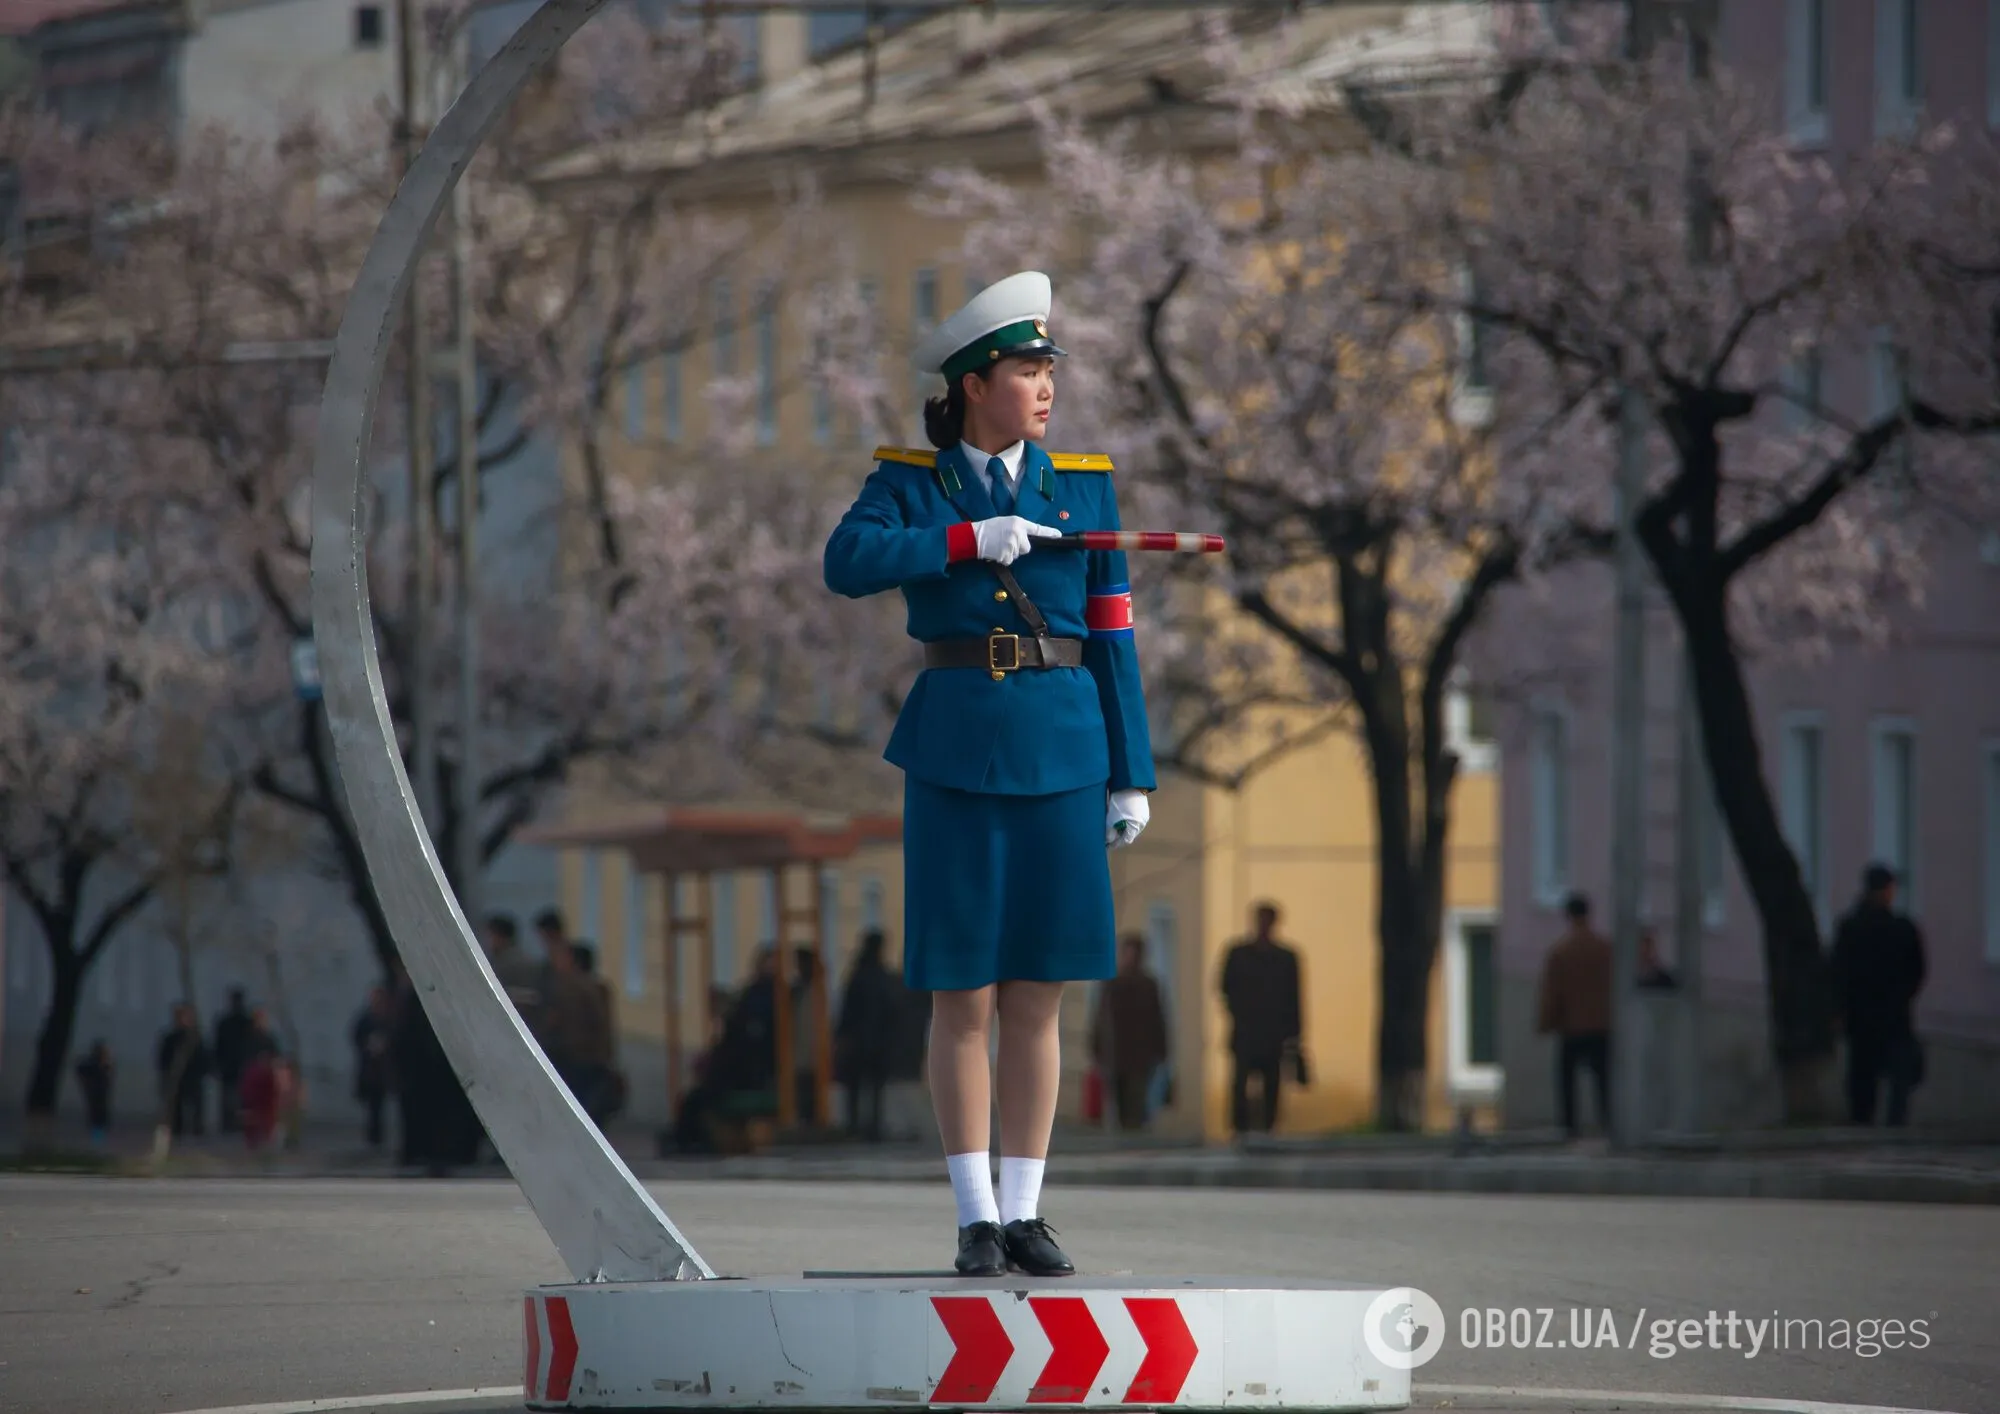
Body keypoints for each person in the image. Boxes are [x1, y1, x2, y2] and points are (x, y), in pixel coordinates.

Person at [824, 271, 1155, 1278]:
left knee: (1039, 993)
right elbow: (847, 562)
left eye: (1048, 368)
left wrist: (1129, 771)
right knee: (960, 990)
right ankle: (972, 1214)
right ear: (973, 383)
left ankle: (1025, 1212)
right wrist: (966, 539)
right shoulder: (909, 483)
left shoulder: (1083, 483)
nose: (1044, 385)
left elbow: (1112, 635)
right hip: (958, 744)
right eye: (1024, 368)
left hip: (1064, 743)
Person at [1829, 863, 1927, 1127]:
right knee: (1899, 1078)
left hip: (1860, 1017)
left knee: (1863, 1078)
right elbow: (1917, 972)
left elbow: (1837, 973)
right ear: (1887, 891)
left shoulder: (1849, 928)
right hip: (1895, 1015)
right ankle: (1895, 1127)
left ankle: (1862, 1125)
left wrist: (1840, 1009)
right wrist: (1902, 995)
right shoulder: (1903, 929)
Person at [1218, 904, 1304, 1135]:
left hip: (1273, 1034)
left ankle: (1267, 1125)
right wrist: (1239, 1012)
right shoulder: (1239, 954)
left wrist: (1294, 1035)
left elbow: (1294, 998)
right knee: (1240, 1081)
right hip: (1246, 1031)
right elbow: (1225, 987)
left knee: (1272, 1083)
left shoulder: (1285, 958)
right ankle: (1240, 1126)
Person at [1537, 892, 1613, 1137]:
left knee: (1566, 1078)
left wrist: (1545, 1022)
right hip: (1602, 1026)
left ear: (1568, 916)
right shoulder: (1605, 949)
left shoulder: (1561, 952)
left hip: (1572, 1028)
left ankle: (1570, 1127)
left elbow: (1553, 992)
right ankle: (1608, 1123)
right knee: (1604, 1079)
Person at [1091, 934, 1170, 1131]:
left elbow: (1158, 1018)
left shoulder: (1148, 985)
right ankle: (1123, 1133)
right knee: (1118, 1100)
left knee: (1137, 1100)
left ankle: (1134, 1134)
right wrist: (1096, 1046)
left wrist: (1161, 1050)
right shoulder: (1112, 983)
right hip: (1115, 1053)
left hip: (1140, 1055)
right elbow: (1101, 1017)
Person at [835, 930, 902, 1141]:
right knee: (874, 1087)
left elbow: (847, 1009)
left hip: (858, 1040)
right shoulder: (882, 976)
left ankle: (854, 1125)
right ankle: (872, 1126)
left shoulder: (858, 974)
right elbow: (892, 1009)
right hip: (878, 1041)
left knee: (855, 1087)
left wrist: (842, 1034)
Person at [351, 984, 395, 1148]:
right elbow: (356, 1037)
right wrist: (368, 1045)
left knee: (379, 1106)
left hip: (383, 1071)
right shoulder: (366, 1018)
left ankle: (377, 1137)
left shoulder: (387, 1018)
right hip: (369, 1071)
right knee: (372, 1107)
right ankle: (373, 1138)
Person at [156, 1003, 208, 1137]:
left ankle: (197, 1131)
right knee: (176, 1109)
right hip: (177, 1079)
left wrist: (202, 1071)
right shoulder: (170, 1038)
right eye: (179, 1016)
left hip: (193, 1079)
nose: (181, 1020)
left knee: (196, 1108)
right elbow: (164, 1060)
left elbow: (203, 1057)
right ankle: (177, 1131)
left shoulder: (195, 1038)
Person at [212, 989, 254, 1133]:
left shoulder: (247, 1023)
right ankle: (230, 1127)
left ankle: (239, 1127)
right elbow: (218, 1047)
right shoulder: (225, 1023)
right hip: (230, 1070)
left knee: (243, 1102)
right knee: (229, 1102)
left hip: (242, 1070)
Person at [74, 1040, 114, 1149]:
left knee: (99, 1116)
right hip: (95, 1094)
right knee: (97, 1116)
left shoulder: (103, 1064)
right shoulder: (94, 1064)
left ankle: (98, 1140)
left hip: (100, 1094)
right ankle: (97, 1141)